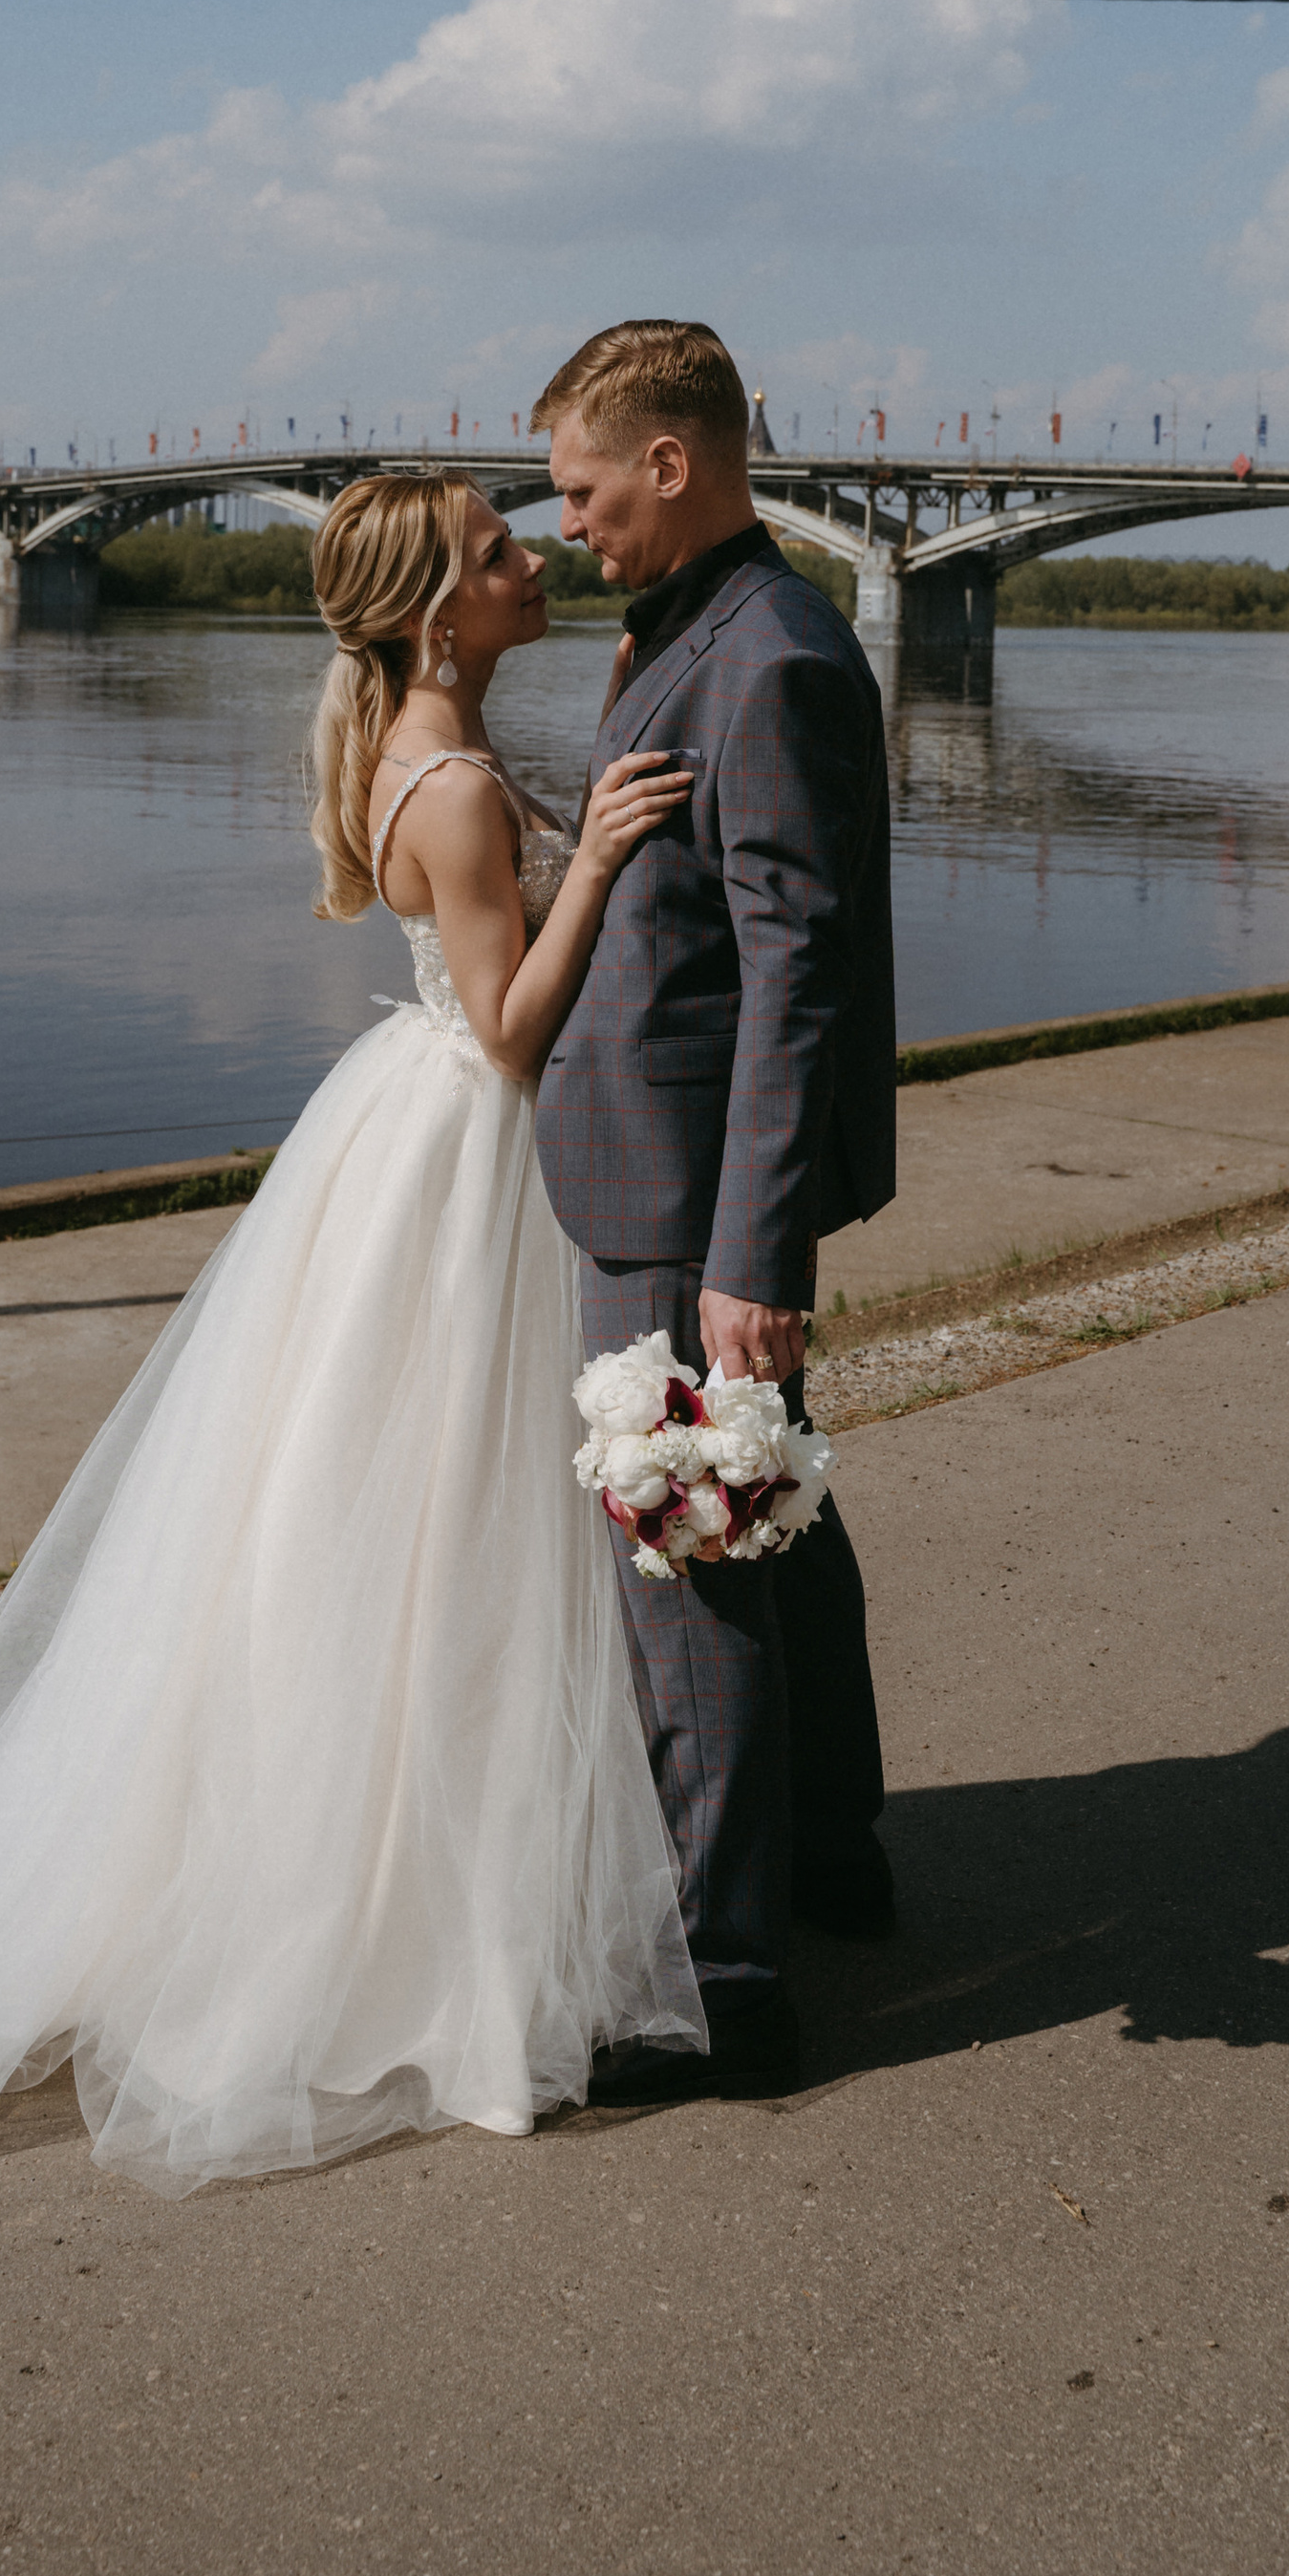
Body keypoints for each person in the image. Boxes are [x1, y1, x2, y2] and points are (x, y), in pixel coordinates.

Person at [0, 470, 699, 2195]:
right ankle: (418, 1926)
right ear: (440, 612)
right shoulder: (445, 783)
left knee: (391, 1524)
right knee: (441, 1529)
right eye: (501, 553)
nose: (537, 560)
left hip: (409, 1135)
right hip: (460, 1148)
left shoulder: (421, 742)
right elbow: (515, 1033)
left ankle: (437, 1877)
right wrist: (593, 857)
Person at [532, 319, 898, 2107]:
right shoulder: (704, 624)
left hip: (686, 1201)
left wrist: (755, 1254)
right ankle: (831, 1856)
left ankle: (724, 1989)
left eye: (588, 489)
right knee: (774, 1534)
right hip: (673, 1174)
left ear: (672, 461)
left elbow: (793, 972)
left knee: (691, 1580)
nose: (571, 523)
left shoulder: (766, 660)